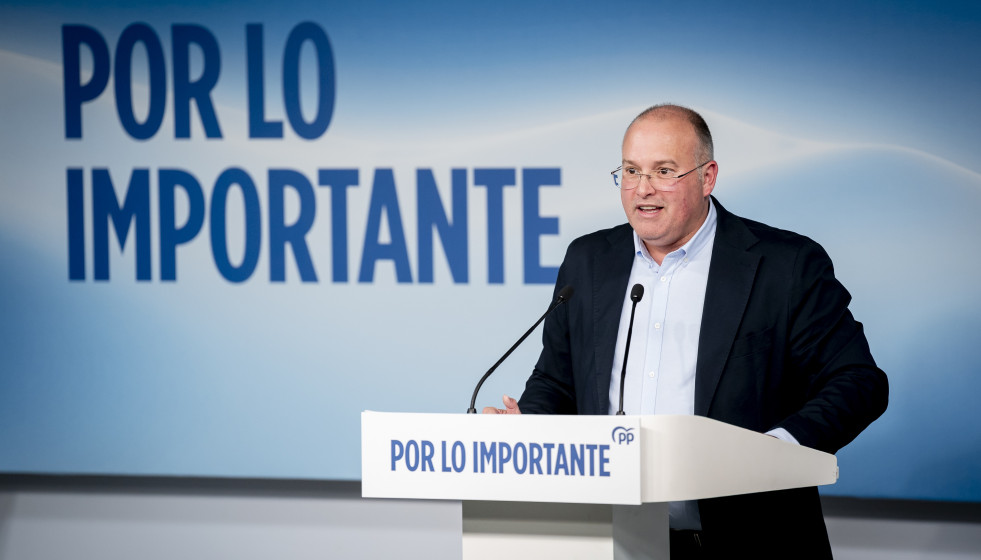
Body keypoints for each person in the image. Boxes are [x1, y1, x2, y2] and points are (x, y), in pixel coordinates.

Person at [484, 104, 888, 558]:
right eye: (631, 171)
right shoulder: (589, 261)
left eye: (663, 171)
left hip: (751, 540)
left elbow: (859, 381)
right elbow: (558, 382)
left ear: (707, 177)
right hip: (613, 541)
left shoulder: (785, 265)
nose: (642, 189)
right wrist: (528, 431)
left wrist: (776, 452)